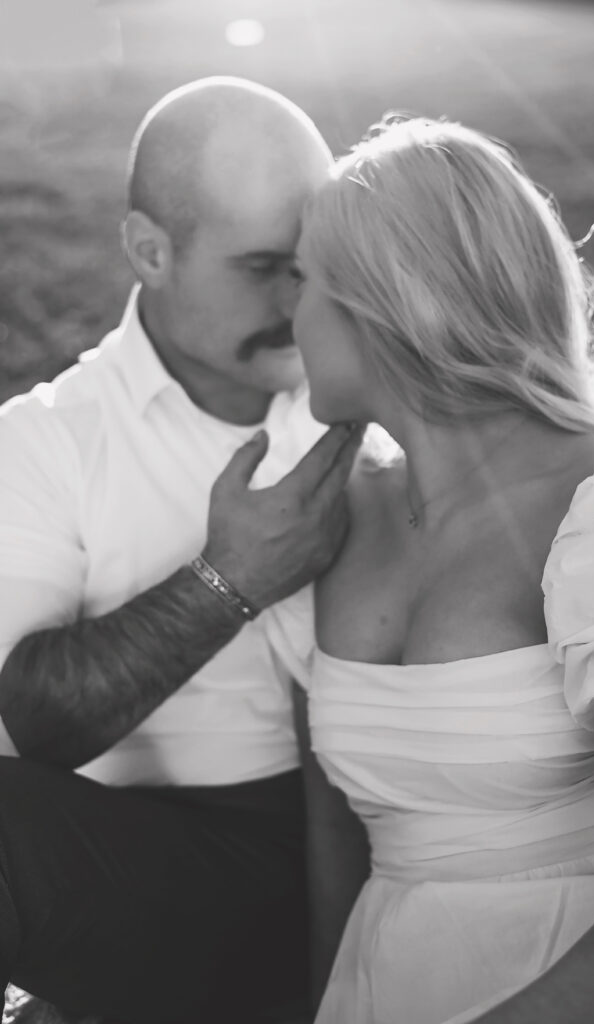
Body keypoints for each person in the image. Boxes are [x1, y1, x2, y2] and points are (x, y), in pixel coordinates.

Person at [265, 115, 594, 1023]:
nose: (285, 315)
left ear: (385, 304)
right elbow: (335, 847)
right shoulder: (328, 516)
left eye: (303, 281)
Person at [0, 77, 362, 1023]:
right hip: (137, 861)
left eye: (313, 263)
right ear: (149, 251)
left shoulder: (375, 413)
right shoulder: (43, 441)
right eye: (260, 266)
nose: (300, 298)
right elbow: (28, 722)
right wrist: (229, 580)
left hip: (368, 841)